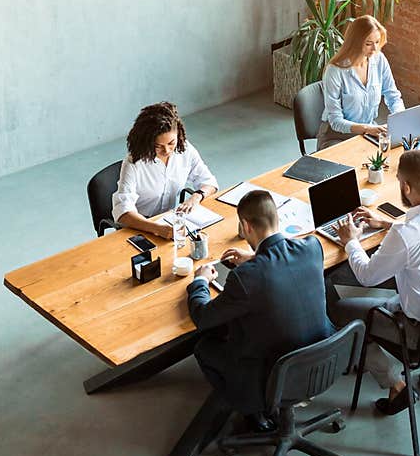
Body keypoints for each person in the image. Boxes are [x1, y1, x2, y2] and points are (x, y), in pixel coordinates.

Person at [330, 148, 420, 416]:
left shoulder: (406, 234)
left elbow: (366, 275)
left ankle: (396, 386)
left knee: (342, 312)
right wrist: (388, 225)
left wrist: (350, 241)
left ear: (405, 186)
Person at [188, 190, 334, 422]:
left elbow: (203, 317)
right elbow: (282, 267)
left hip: (275, 374)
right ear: (276, 218)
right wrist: (257, 257)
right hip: (323, 360)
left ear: (245, 226)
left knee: (205, 346)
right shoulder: (312, 247)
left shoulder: (245, 277)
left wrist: (200, 281)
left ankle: (253, 409)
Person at [112, 101, 218, 240]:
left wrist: (196, 197)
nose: (167, 150)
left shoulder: (185, 149)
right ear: (148, 141)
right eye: (158, 146)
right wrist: (156, 228)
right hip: (141, 225)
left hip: (169, 221)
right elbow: (123, 212)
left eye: (171, 143)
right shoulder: (134, 162)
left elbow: (209, 182)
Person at [317, 14, 405, 150]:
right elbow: (335, 121)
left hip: (368, 131)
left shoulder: (379, 59)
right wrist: (367, 129)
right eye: (368, 44)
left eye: (377, 42)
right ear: (355, 42)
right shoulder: (335, 71)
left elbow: (393, 96)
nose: (374, 49)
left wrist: (399, 119)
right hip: (337, 135)